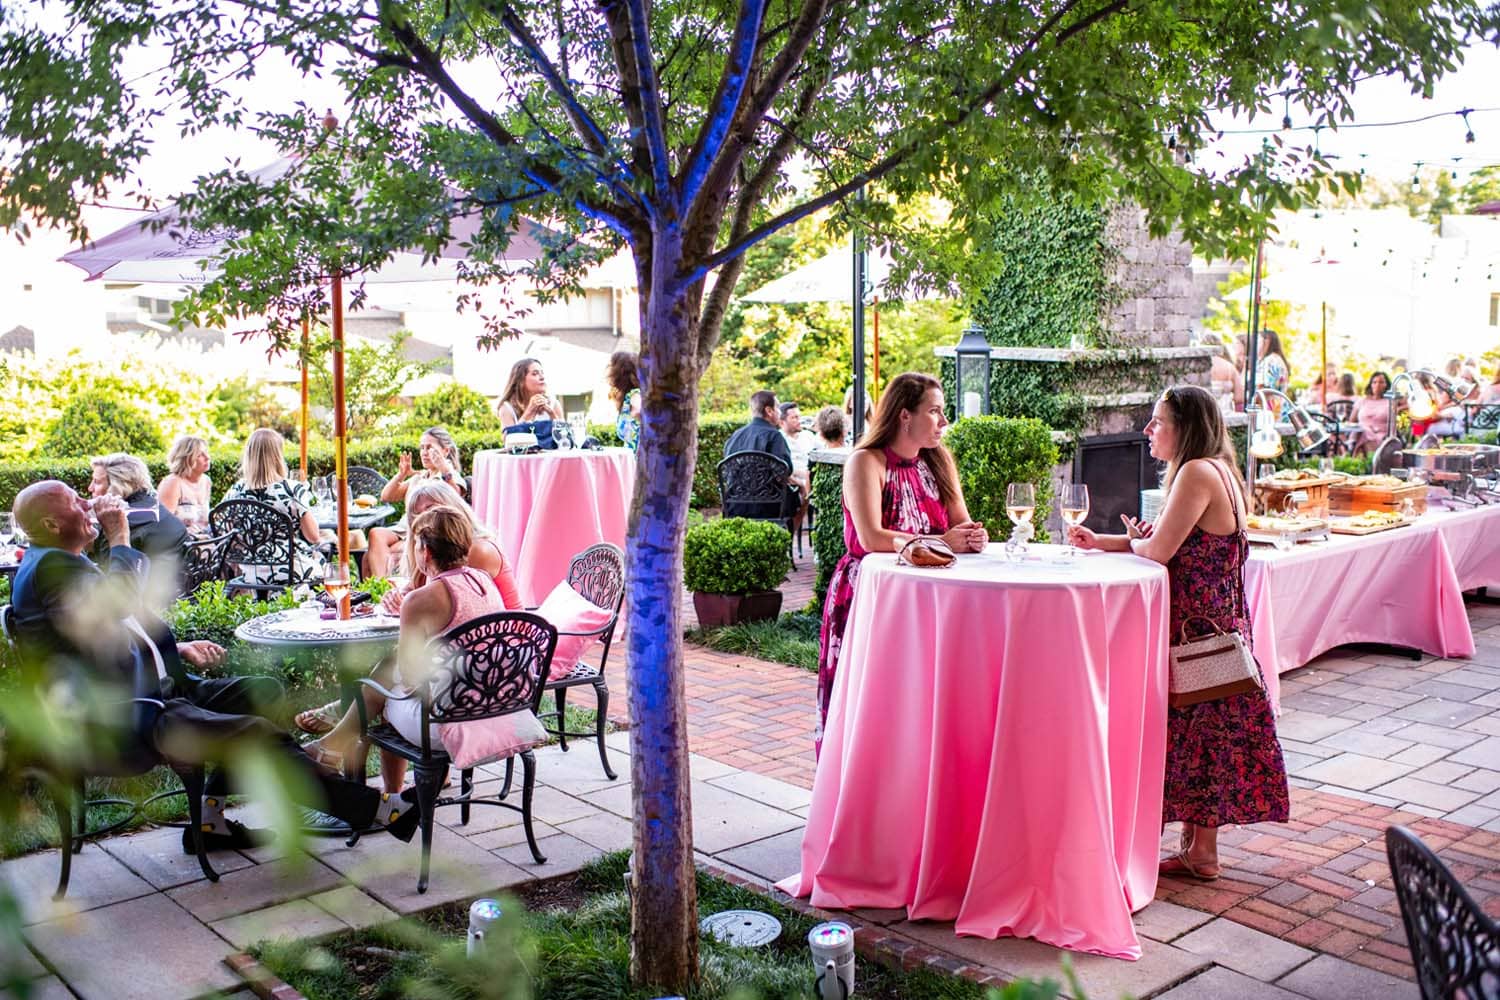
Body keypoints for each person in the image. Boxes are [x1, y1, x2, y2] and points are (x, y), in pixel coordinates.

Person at [8, 481, 420, 853]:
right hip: (122, 715)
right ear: (50, 522)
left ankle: (210, 822)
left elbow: (94, 637)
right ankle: (381, 812)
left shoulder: (53, 560)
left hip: (147, 687)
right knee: (258, 735)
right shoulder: (52, 567)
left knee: (262, 692)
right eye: (75, 502)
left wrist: (177, 647)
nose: (87, 503)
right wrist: (119, 536)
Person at [1066, 385, 1289, 879]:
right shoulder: (1221, 470)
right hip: (1217, 625)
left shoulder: (1194, 472)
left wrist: (1142, 543)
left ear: (1185, 427)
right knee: (1205, 737)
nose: (1148, 431)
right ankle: (1196, 847)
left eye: (1157, 421)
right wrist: (1105, 541)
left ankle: (1200, 851)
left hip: (1197, 633)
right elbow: (1174, 544)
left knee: (1201, 735)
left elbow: (1161, 552)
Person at [299, 505, 543, 789]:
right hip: (494, 704)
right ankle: (333, 748)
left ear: (425, 551)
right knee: (387, 672)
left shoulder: (421, 600)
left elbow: (411, 677)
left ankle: (382, 788)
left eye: (414, 544)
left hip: (446, 721)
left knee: (384, 690)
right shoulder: (484, 581)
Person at [816, 372, 987, 755]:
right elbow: (870, 538)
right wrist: (941, 543)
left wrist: (973, 536)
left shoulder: (938, 461)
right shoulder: (866, 461)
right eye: (935, 412)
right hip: (877, 596)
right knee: (875, 701)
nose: (944, 423)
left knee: (924, 703)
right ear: (904, 415)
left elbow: (961, 521)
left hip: (934, 600)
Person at [296, 480, 521, 734]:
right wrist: (403, 597)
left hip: (493, 659)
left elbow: (458, 606)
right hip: (478, 659)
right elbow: (427, 594)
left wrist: (412, 604)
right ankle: (340, 734)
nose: (424, 520)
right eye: (416, 516)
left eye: (430, 510)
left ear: (454, 508)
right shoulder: (446, 555)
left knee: (390, 682)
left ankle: (343, 721)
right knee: (391, 671)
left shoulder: (475, 551)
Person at [223, 428, 326, 587]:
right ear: (278, 455)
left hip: (250, 572)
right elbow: (313, 536)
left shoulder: (234, 492)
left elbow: (226, 531)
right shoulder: (291, 490)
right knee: (326, 559)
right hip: (290, 569)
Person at [363, 427, 466, 578]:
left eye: (430, 447)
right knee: (375, 534)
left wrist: (444, 469)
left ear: (445, 451)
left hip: (427, 530)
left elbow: (456, 498)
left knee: (368, 558)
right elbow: (386, 496)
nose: (424, 452)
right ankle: (381, 588)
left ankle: (386, 591)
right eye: (422, 447)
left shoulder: (449, 476)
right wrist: (401, 474)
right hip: (404, 529)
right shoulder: (420, 477)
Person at [89, 453, 191, 567]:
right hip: (180, 581)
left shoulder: (120, 522)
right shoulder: (154, 507)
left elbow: (109, 572)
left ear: (118, 485)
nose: (90, 488)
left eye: (97, 482)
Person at [722, 390, 799, 520]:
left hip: (735, 505)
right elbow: (784, 472)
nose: (780, 412)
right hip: (770, 506)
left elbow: (728, 471)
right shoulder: (774, 436)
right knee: (796, 499)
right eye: (778, 408)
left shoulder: (736, 435)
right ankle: (787, 538)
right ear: (769, 411)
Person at [779, 401, 819, 540]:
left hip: (811, 477)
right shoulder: (779, 438)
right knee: (801, 495)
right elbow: (784, 468)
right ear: (782, 421)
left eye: (799, 416)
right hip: (793, 480)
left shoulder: (808, 436)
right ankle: (789, 536)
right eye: (794, 417)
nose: (798, 420)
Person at [158, 435, 212, 530]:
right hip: (181, 542)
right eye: (199, 455)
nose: (207, 457)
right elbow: (163, 525)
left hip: (205, 540)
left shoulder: (206, 481)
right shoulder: (173, 483)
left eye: (206, 452)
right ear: (186, 459)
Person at [497, 357, 565, 429]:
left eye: (542, 373)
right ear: (521, 381)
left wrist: (552, 414)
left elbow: (565, 437)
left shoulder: (553, 404)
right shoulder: (507, 408)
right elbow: (508, 438)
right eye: (535, 374)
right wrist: (529, 411)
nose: (542, 377)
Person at [607, 351, 641, 451]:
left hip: (638, 461)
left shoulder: (634, 394)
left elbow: (639, 410)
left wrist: (636, 414)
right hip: (630, 461)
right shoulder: (626, 398)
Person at [1351, 371, 1393, 452]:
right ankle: (1372, 460)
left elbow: (1410, 404)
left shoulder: (1390, 401)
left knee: (1365, 435)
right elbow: (1351, 421)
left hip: (1382, 435)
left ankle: (1368, 460)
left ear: (1386, 385)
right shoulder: (1362, 400)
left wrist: (1399, 409)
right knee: (1364, 432)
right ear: (1371, 384)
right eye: (1374, 382)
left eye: (1381, 382)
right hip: (1362, 432)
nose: (1377, 385)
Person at [1199, 334, 1243, 410]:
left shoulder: (1198, 366)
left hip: (1203, 410)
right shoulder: (1228, 366)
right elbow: (1239, 397)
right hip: (1224, 411)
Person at [1255, 329, 1290, 409]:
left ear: (1267, 341)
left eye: (1258, 340)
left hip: (1271, 408)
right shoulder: (1273, 359)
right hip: (1274, 406)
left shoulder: (1271, 361)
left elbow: (1266, 388)